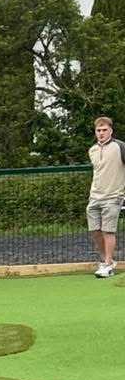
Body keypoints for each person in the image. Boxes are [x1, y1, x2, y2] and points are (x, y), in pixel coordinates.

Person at [86, 116, 125, 277]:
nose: (101, 133)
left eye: (104, 130)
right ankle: (106, 260)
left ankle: (107, 265)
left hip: (114, 196)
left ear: (111, 131)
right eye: (98, 130)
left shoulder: (120, 147)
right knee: (94, 230)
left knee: (108, 231)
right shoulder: (92, 150)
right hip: (95, 196)